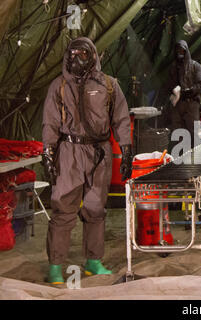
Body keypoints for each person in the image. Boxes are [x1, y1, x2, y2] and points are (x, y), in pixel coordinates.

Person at [42, 37, 132, 284]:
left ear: (92, 55)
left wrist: (126, 151)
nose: (76, 59)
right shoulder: (58, 86)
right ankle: (56, 267)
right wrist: (48, 152)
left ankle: (93, 261)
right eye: (72, 54)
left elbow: (121, 119)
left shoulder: (109, 85)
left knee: (95, 208)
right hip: (69, 153)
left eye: (83, 54)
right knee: (63, 208)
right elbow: (50, 121)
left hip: (99, 153)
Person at [167, 40, 201, 149]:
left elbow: (200, 84)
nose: (179, 52)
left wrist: (188, 91)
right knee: (178, 132)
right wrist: (174, 91)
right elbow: (169, 84)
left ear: (186, 51)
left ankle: (197, 157)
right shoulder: (173, 68)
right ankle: (180, 158)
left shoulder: (196, 66)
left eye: (182, 50)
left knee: (194, 132)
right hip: (178, 105)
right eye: (177, 50)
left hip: (192, 104)